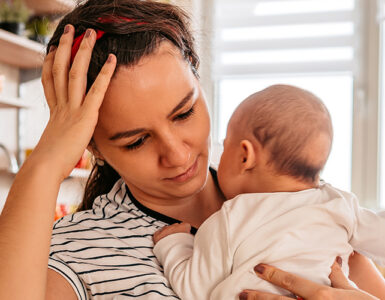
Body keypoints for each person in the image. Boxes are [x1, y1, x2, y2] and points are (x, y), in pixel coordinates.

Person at [0, 1, 384, 299]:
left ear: (199, 80)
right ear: (92, 147)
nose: (179, 156)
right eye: (136, 141)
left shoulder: (287, 192)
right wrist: (46, 165)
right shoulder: (82, 248)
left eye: (184, 113)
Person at [152, 85, 385, 300]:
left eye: (225, 145)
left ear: (245, 156)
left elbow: (194, 290)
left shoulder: (230, 218)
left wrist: (173, 243)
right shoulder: (340, 204)